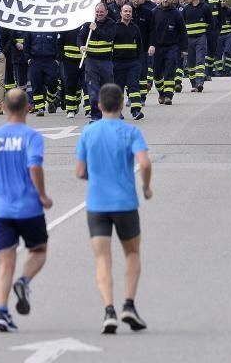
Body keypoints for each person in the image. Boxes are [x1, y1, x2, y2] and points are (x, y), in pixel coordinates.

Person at [75, 83, 153, 334]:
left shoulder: (89, 133)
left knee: (102, 259)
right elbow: (144, 163)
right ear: (121, 105)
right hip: (125, 203)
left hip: (97, 204)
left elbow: (79, 172)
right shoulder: (131, 133)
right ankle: (128, 305)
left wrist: (96, 175)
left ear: (99, 105)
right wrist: (146, 187)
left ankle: (108, 310)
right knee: (131, 254)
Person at [0, 88, 53, 332]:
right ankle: (24, 281)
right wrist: (42, 194)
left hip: (0, 210)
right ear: (28, 107)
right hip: (29, 207)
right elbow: (34, 167)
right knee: (39, 250)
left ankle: (1, 311)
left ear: (5, 109)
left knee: (5, 264)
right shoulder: (32, 137)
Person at [148, 0, 187, 105]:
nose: (165, 0)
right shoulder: (154, 13)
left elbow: (183, 32)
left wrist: (184, 49)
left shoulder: (176, 13)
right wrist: (150, 45)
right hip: (157, 48)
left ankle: (169, 96)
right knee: (157, 74)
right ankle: (161, 93)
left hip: (172, 47)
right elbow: (150, 31)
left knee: (170, 72)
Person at [80, 3, 117, 120]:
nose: (99, 14)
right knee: (93, 90)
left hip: (106, 62)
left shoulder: (111, 24)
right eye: (97, 12)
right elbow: (80, 37)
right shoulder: (88, 23)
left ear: (106, 12)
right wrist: (80, 46)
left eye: (101, 12)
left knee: (108, 89)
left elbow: (109, 37)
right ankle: (96, 116)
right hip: (91, 61)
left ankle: (110, 113)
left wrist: (96, 29)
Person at [113, 3, 145, 120]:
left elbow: (140, 47)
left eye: (129, 11)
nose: (127, 13)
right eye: (125, 11)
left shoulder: (135, 28)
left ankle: (136, 111)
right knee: (118, 88)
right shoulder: (114, 27)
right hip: (117, 63)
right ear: (121, 13)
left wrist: (139, 62)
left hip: (133, 63)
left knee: (134, 87)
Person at [25, 29, 59, 116]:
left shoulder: (53, 29)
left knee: (53, 81)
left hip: (50, 60)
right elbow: (26, 44)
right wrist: (28, 58)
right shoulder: (31, 29)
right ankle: (40, 108)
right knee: (36, 85)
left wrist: (57, 59)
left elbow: (58, 43)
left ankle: (51, 100)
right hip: (35, 60)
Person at [181, 0, 209, 91]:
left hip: (201, 38)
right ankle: (193, 84)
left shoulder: (205, 7)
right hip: (189, 39)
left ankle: (199, 83)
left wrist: (206, 36)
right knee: (191, 63)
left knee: (200, 61)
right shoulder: (186, 9)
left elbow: (210, 23)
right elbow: (182, 26)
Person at [59, 23, 88, 119]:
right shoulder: (66, 26)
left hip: (84, 60)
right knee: (70, 85)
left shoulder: (87, 26)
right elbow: (59, 43)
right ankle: (71, 109)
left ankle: (89, 109)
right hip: (69, 61)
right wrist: (61, 58)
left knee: (86, 85)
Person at [199, 0, 223, 80]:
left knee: (211, 51)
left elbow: (220, 15)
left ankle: (208, 72)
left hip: (213, 30)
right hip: (201, 29)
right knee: (202, 51)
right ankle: (201, 73)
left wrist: (218, 29)